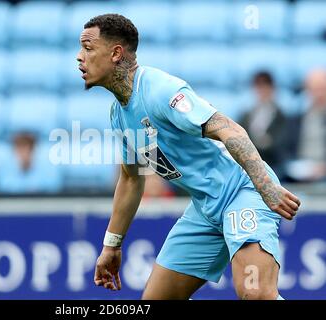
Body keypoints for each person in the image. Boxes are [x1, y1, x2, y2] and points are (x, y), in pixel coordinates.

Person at [77, 14, 300, 300]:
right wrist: (112, 245)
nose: (79, 57)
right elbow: (131, 179)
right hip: (206, 209)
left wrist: (266, 187)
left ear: (116, 53)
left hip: (243, 192)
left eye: (87, 47)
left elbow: (230, 129)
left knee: (255, 293)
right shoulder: (119, 115)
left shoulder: (161, 90)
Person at [239, 71, 289, 177]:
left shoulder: (281, 116)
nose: (262, 91)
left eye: (265, 86)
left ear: (272, 88)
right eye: (258, 86)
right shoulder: (246, 115)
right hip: (249, 163)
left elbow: (281, 144)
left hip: (273, 164)